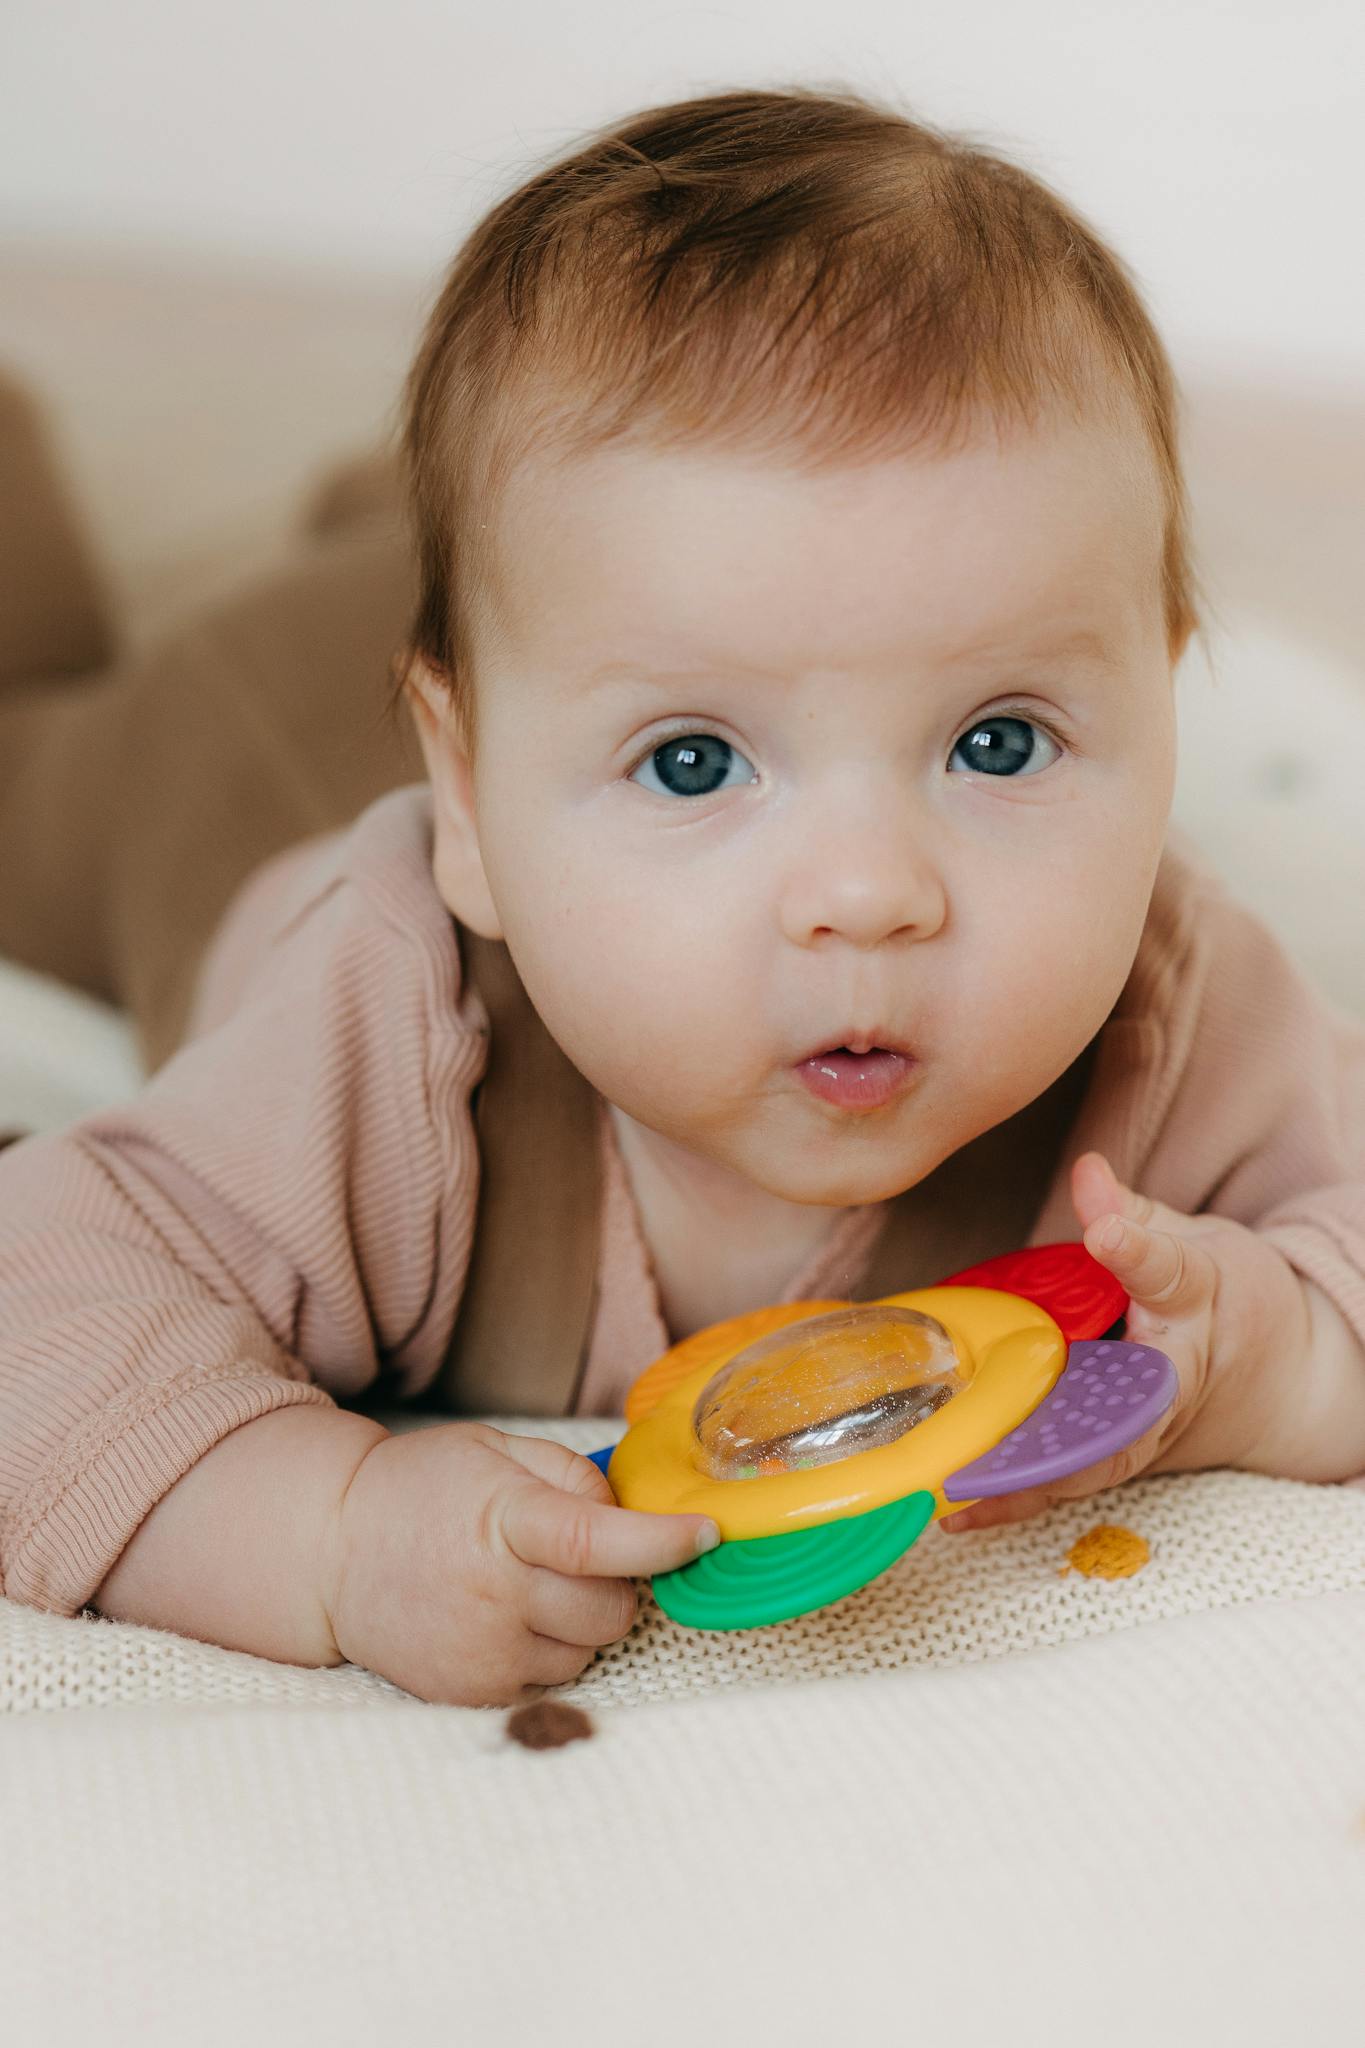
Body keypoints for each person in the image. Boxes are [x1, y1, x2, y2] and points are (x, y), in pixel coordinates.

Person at [1, 85, 1362, 1711]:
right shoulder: (382, 1030)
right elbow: (39, 1309)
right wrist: (325, 1530)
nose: (866, 896)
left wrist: (1277, 1358)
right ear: (466, 807)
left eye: (996, 741)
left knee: (554, 565)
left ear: (1156, 714)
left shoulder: (1173, 1001)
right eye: (697, 767)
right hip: (235, 770)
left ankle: (435, 537)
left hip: (560, 642)